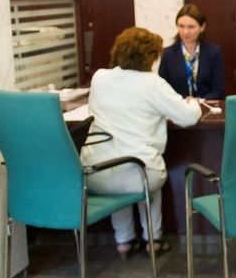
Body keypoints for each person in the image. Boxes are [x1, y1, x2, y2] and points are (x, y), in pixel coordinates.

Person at [82, 27, 203, 259]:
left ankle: (124, 241)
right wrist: (192, 102)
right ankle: (153, 240)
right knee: (146, 179)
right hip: (138, 174)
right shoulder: (152, 83)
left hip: (94, 173)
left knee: (118, 185)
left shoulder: (100, 77)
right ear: (150, 57)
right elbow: (188, 117)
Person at [158, 4, 225, 100]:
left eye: (191, 27)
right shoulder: (167, 54)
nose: (185, 32)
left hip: (205, 105)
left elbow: (218, 90)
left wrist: (198, 101)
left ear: (202, 27)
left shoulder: (214, 52)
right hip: (178, 106)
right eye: (181, 26)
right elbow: (163, 89)